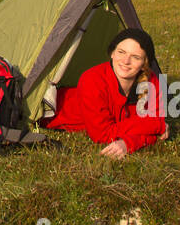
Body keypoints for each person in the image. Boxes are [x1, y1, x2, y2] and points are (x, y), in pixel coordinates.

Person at [41, 28, 169, 159]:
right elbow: (102, 134)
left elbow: (157, 131)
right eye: (121, 52)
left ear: (144, 64)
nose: (126, 61)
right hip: (51, 111)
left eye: (136, 57)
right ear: (112, 53)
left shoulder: (151, 81)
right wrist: (156, 125)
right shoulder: (92, 80)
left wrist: (129, 143)